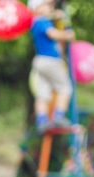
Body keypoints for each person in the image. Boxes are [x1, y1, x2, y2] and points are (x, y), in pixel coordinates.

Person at [28, 0, 76, 131]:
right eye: (47, 5)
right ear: (37, 8)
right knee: (65, 88)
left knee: (42, 92)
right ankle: (59, 117)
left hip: (40, 60)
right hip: (51, 60)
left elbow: (52, 18)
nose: (51, 7)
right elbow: (53, 34)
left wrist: (57, 16)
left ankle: (42, 120)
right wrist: (67, 35)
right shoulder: (42, 21)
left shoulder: (35, 22)